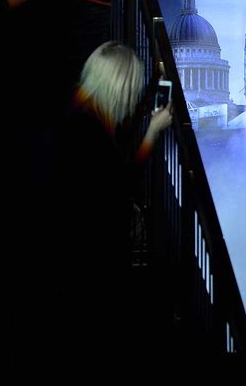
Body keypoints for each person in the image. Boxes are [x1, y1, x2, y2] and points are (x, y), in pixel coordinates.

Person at [48, 41, 172, 370]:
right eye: (130, 90)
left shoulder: (78, 108)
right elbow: (120, 184)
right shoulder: (86, 130)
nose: (129, 100)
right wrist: (152, 135)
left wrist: (150, 91)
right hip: (87, 267)